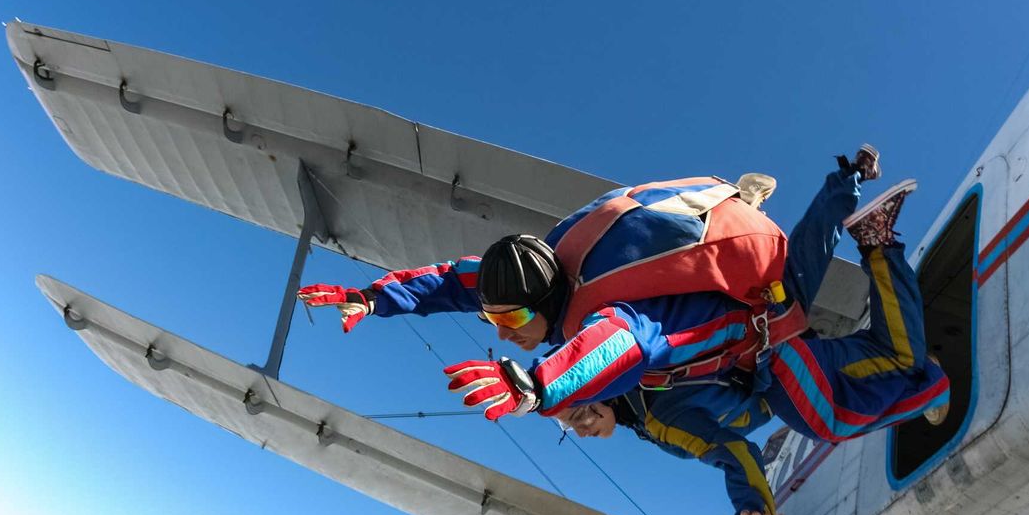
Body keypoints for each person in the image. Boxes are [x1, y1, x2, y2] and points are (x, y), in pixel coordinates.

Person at [299, 148, 883, 423]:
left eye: (511, 321)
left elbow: (621, 342)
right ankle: (810, 186)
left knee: (804, 339)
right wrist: (371, 297)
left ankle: (846, 183)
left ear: (544, 303)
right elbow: (455, 282)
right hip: (689, 264)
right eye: (494, 321)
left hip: (752, 315)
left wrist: (536, 384)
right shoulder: (542, 265)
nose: (504, 333)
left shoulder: (606, 311)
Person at [554, 179, 951, 515]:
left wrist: (754, 509)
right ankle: (850, 196)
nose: (583, 430)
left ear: (598, 388)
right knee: (807, 273)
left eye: (579, 415)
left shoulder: (658, 416)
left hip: (770, 360)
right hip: (763, 325)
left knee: (830, 419)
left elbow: (733, 451)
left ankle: (931, 383)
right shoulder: (646, 386)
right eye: (570, 428)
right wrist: (846, 181)